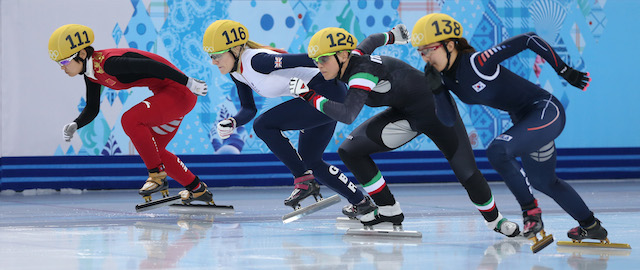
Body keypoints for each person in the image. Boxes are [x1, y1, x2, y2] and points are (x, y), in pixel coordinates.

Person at [289, 26, 519, 236]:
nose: (319, 65)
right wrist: (393, 36)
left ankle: (496, 220)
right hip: (406, 112)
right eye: (315, 60)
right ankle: (389, 211)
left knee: (466, 172)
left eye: (323, 59)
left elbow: (347, 114)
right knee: (350, 150)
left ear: (342, 56)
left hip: (438, 112)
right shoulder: (355, 56)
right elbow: (371, 40)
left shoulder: (362, 74)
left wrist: (309, 96)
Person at [410, 13, 605, 242]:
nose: (425, 57)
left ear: (450, 44)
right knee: (543, 181)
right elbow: (449, 120)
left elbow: (528, 39)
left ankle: (531, 212)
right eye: (421, 52)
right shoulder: (442, 79)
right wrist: (436, 91)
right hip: (525, 122)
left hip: (545, 111)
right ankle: (590, 225)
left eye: (429, 49)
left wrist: (563, 70)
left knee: (497, 150)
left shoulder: (477, 62)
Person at [202, 20, 382, 213]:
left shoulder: (256, 61)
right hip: (319, 96)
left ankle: (304, 181)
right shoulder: (237, 73)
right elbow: (248, 109)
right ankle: (362, 203)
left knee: (263, 125)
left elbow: (308, 58)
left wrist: (353, 64)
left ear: (236, 49)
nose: (213, 61)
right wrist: (233, 122)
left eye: (217, 55)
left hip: (327, 92)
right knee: (311, 160)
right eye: (211, 56)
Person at [49, 24, 213, 205]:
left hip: (180, 92)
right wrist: (76, 124)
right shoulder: (91, 73)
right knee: (155, 152)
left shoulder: (109, 63)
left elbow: (153, 66)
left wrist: (188, 82)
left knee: (130, 119)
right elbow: (93, 107)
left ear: (81, 54)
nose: (62, 68)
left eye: (64, 62)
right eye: (58, 64)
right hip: (169, 93)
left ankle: (157, 176)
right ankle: (198, 189)